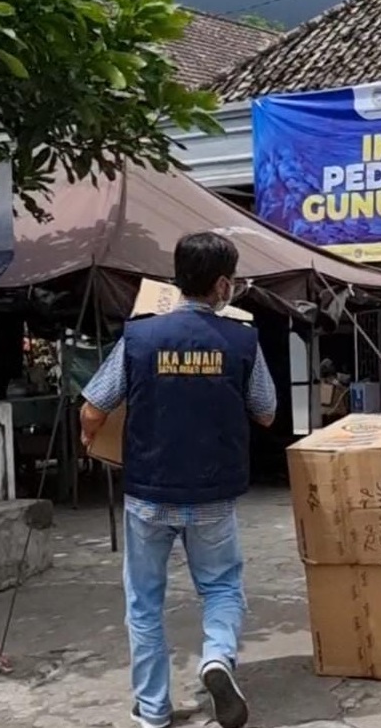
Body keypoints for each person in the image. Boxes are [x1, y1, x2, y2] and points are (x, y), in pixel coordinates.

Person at [80, 232, 277, 728]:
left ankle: (152, 711)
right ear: (223, 284)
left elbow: (92, 408)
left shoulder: (140, 337)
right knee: (222, 588)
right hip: (213, 494)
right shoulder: (242, 340)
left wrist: (91, 441)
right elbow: (268, 413)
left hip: (148, 493)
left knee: (144, 603)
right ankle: (216, 658)